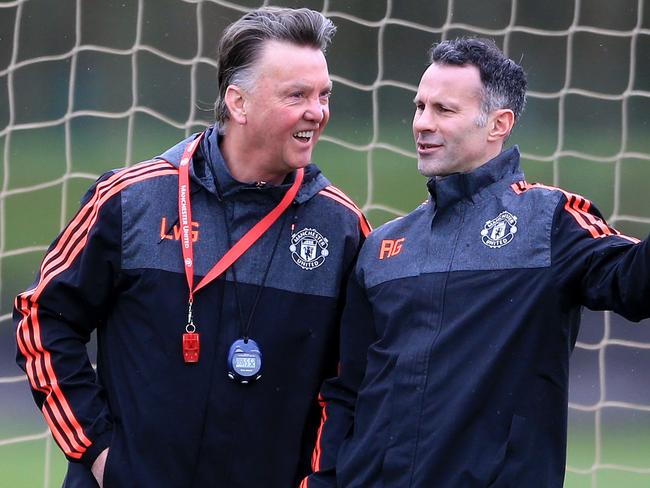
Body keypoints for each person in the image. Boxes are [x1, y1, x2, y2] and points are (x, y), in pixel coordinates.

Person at [15, 7, 370, 488]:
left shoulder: (343, 229)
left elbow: (350, 385)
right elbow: (42, 318)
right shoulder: (130, 200)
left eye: (323, 95)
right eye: (297, 95)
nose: (317, 111)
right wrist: (98, 452)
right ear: (238, 103)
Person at [304, 38, 650, 488]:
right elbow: (344, 391)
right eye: (420, 107)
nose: (423, 124)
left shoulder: (550, 222)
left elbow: (635, 283)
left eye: (444, 110)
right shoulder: (384, 246)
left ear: (498, 124)